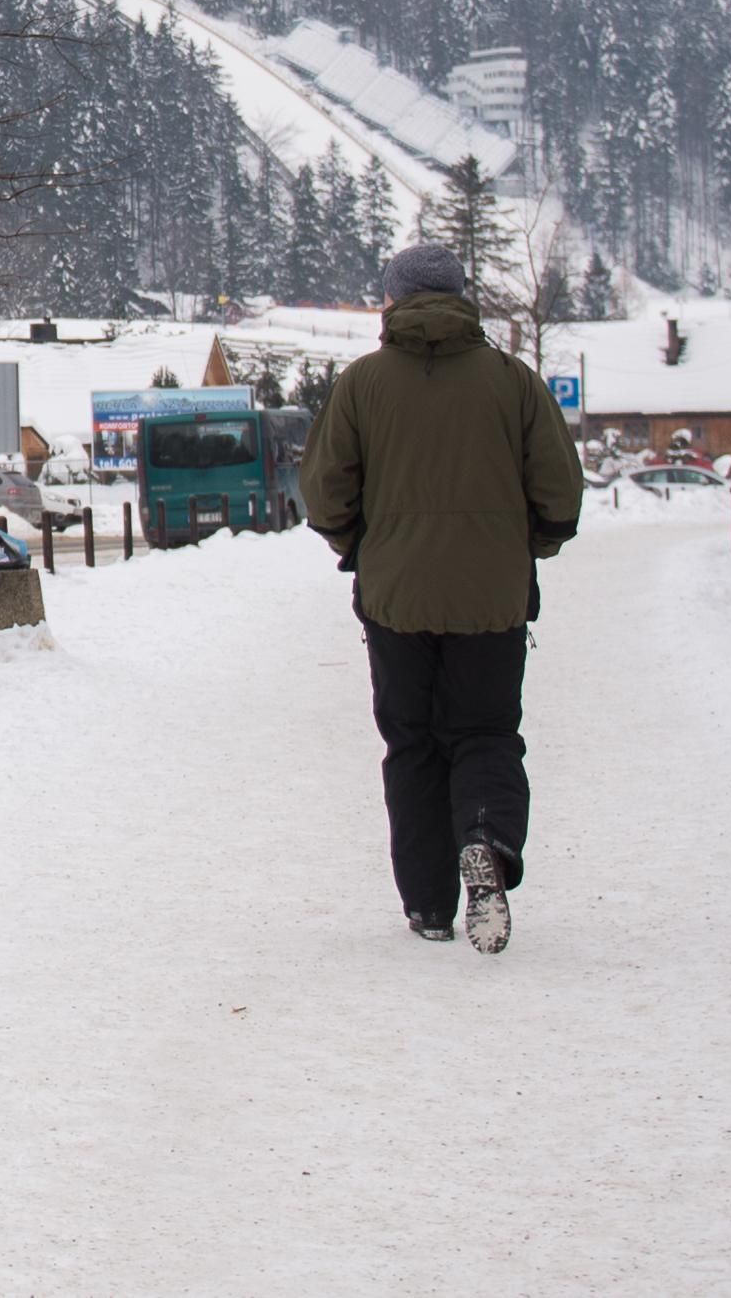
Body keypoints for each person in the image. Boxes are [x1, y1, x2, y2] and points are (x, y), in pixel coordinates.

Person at [301, 240, 583, 954]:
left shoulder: (362, 385)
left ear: (392, 301)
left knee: (413, 743)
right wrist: (528, 547)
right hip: (492, 599)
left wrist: (360, 545)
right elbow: (560, 494)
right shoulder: (513, 381)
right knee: (484, 732)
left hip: (395, 599)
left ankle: (428, 903)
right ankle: (485, 839)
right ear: (462, 297)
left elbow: (325, 493)